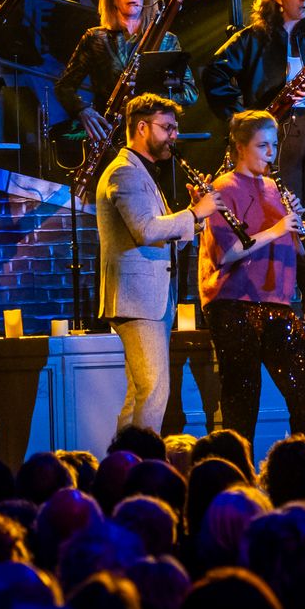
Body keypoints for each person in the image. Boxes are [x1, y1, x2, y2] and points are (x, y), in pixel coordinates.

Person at [201, 0, 305, 308]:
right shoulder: (254, 38)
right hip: (276, 135)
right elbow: (214, 73)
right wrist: (244, 119)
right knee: (282, 213)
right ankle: (285, 301)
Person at [197, 110, 305, 447]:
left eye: (274, 145)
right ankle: (237, 468)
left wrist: (299, 227)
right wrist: (277, 229)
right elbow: (226, 253)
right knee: (242, 398)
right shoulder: (222, 188)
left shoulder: (276, 188)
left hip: (277, 303)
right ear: (240, 147)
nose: (271, 153)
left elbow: (303, 247)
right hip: (233, 303)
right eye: (262, 146)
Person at [97, 93, 219, 434]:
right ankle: (143, 460)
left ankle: (125, 458)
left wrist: (196, 217)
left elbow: (162, 235)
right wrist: (195, 212)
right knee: (154, 391)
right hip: (138, 299)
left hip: (149, 299)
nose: (174, 136)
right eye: (167, 128)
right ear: (141, 127)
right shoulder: (125, 173)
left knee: (139, 394)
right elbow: (146, 230)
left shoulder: (141, 173)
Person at [55, 0, 198, 146]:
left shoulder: (166, 40)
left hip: (156, 138)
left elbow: (190, 93)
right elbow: (64, 87)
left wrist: (147, 97)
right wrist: (82, 110)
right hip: (110, 135)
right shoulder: (96, 38)